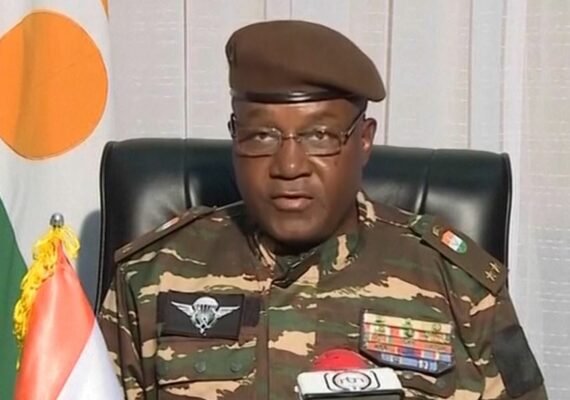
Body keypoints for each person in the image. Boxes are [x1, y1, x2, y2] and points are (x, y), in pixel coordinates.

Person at [98, 20, 547, 400]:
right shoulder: (151, 277)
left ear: (364, 140)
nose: (289, 166)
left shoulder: (460, 288)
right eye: (262, 136)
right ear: (235, 138)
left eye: (319, 137)